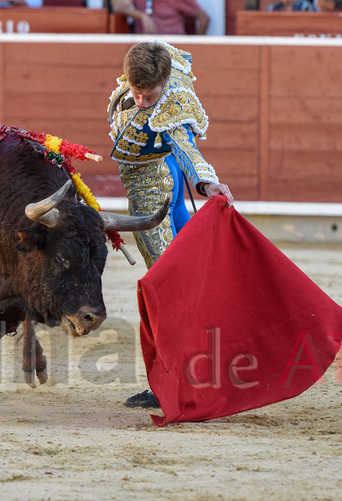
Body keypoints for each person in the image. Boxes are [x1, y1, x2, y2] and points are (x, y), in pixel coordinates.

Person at [108, 41, 233, 409]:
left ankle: (173, 378)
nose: (143, 101)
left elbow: (185, 144)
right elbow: (160, 49)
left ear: (164, 83)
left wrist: (207, 182)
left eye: (150, 95)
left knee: (166, 285)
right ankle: (205, 365)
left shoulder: (173, 100)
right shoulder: (155, 63)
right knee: (188, 276)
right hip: (165, 178)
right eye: (137, 93)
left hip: (156, 188)